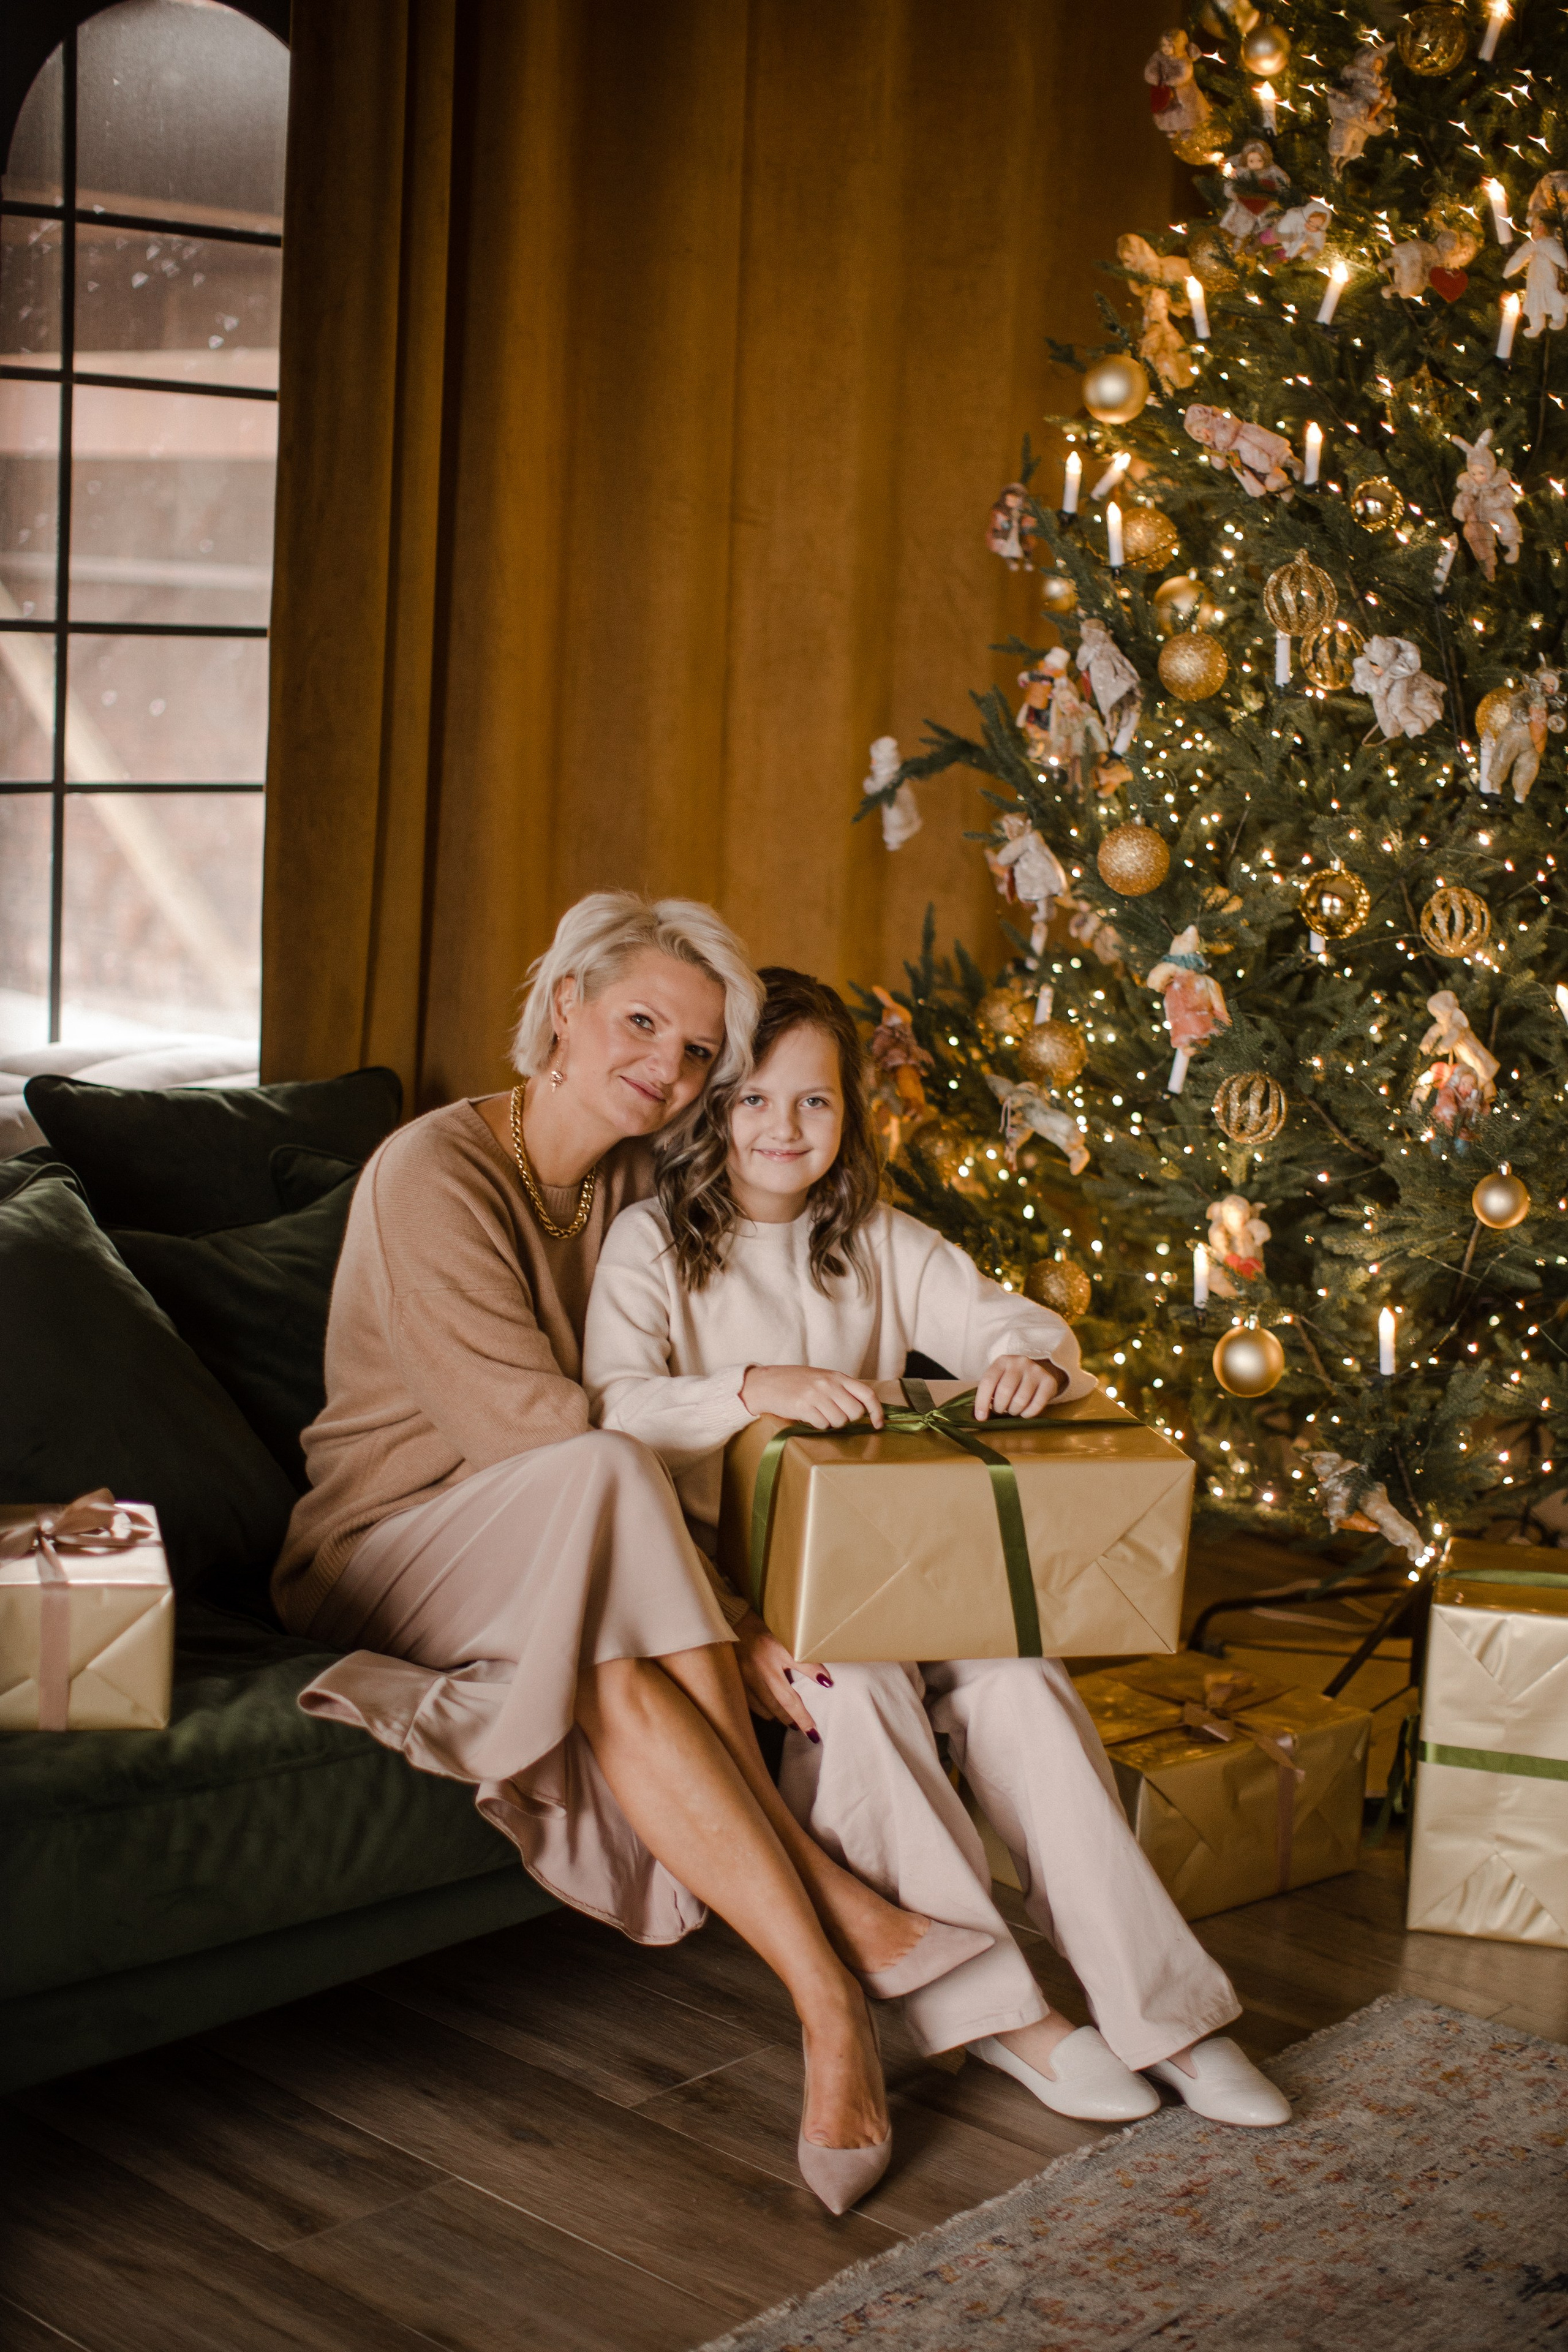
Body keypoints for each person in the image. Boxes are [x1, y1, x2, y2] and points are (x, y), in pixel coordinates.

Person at [272, 894, 991, 2214]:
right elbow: (532, 1434)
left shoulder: (629, 1187)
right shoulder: (431, 1169)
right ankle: (834, 1924)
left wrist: (733, 1591)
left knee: (611, 1676)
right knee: (600, 1462)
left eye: (698, 1051)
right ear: (563, 1008)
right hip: (386, 1543)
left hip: (558, 1549)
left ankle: (829, 2024)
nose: (667, 1064)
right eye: (640, 1021)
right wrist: (725, 1596)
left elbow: (644, 1423)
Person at [583, 967, 1291, 2130]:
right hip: (734, 1607)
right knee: (852, 1692)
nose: (783, 1128)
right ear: (712, 1109)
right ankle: (1003, 2018)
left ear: (850, 1114)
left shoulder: (877, 1239)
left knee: (1022, 1683)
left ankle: (1171, 2018)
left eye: (815, 1103)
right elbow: (614, 1413)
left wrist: (1032, 1363)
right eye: (754, 1100)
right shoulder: (651, 1248)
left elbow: (1016, 1320)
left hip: (897, 1575)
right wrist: (754, 1396)